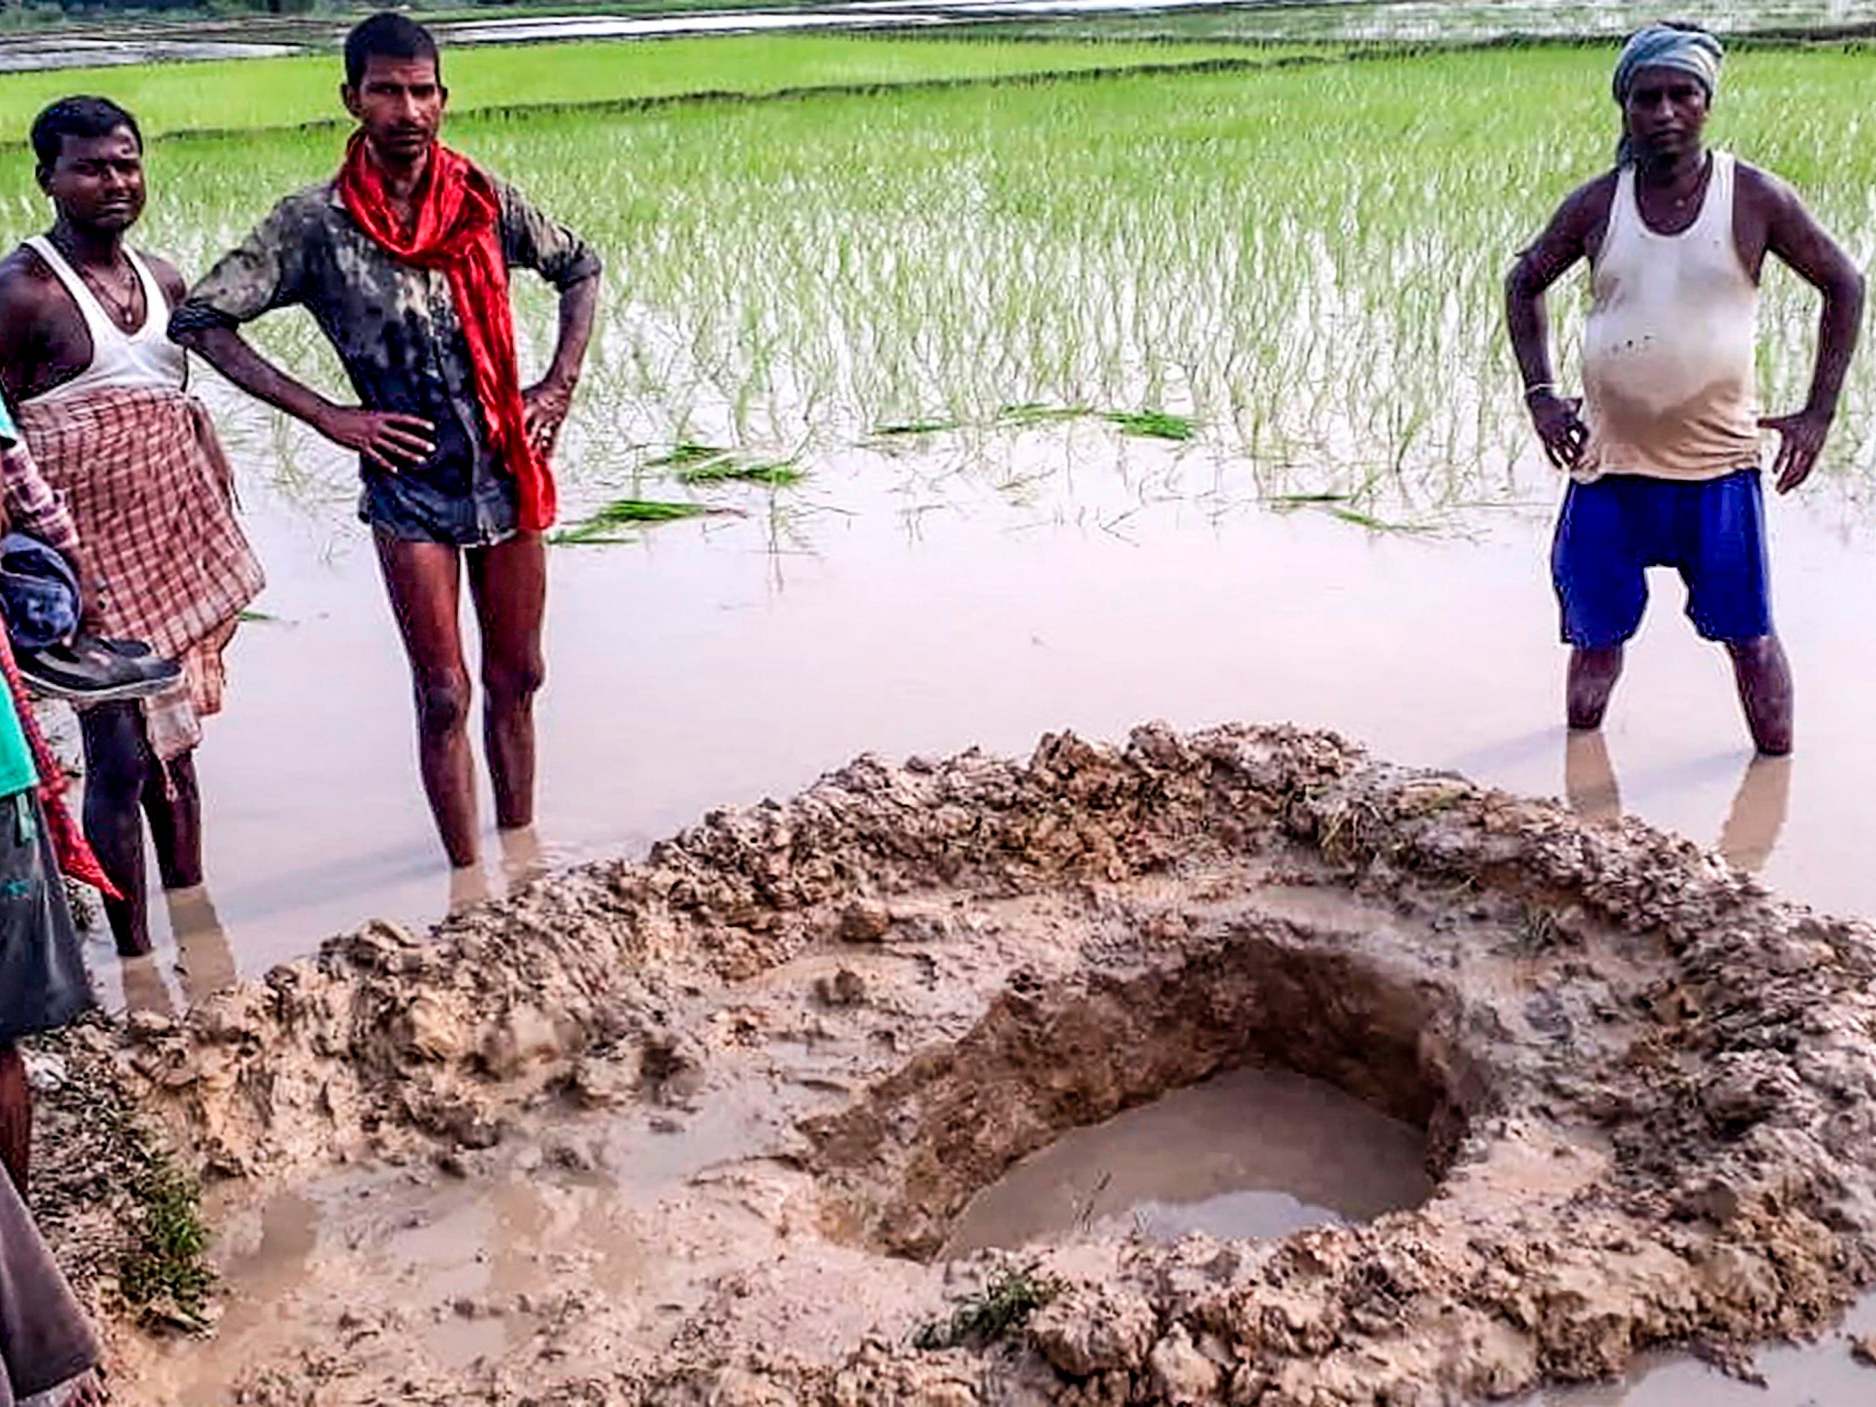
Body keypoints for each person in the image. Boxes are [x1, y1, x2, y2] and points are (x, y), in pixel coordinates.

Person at [172, 13, 602, 870]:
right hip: (408, 485)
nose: (405, 109)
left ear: (442, 100)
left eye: (420, 91)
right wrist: (332, 416)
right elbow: (202, 317)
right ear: (352, 100)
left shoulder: (482, 199)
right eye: (385, 91)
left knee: (521, 676)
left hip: (506, 467)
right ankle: (466, 880)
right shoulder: (314, 224)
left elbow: (579, 267)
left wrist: (556, 386)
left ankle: (520, 853)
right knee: (444, 693)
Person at [1504, 23, 1864, 757]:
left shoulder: (1754, 197)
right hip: (1610, 466)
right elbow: (1524, 281)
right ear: (1625, 109)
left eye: (1681, 94)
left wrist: (1819, 413)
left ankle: (1774, 782)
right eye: (1646, 98)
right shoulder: (1598, 204)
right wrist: (1541, 394)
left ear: (1706, 104)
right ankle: (1577, 777)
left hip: (1718, 470)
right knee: (1595, 639)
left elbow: (1844, 282)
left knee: (1749, 639)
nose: (1664, 111)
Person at [0, 97, 264, 958]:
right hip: (84, 557)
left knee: (175, 750)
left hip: (166, 542)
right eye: (89, 166)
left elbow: (172, 409)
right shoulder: (23, 293)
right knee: (116, 754)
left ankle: (197, 925)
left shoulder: (166, 280)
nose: (113, 181)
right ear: (47, 178)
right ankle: (136, 953)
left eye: (126, 163)